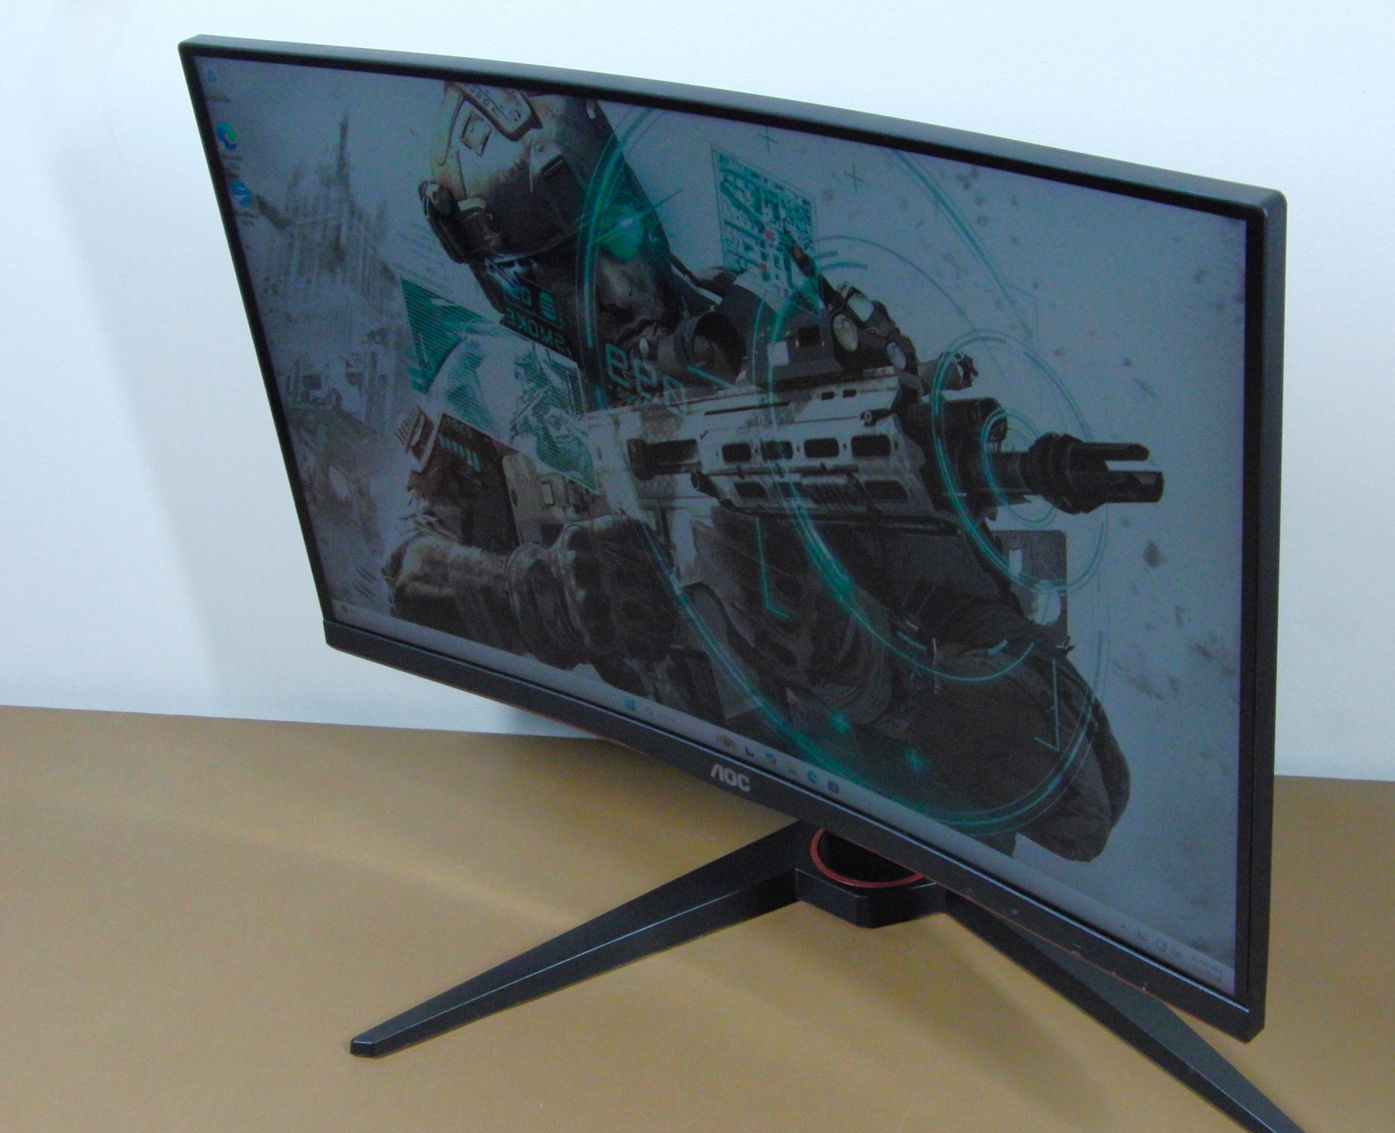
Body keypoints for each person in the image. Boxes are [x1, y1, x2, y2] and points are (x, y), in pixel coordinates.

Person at [385, 81, 1138, 860]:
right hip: (633, 815)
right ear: (501, 281)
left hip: (842, 838)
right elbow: (407, 577)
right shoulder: (499, 386)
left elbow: (1078, 804)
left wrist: (873, 672)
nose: (617, 287)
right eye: (553, 269)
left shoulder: (795, 364)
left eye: (618, 231)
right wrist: (535, 596)